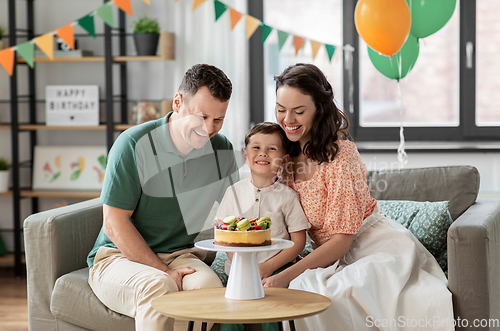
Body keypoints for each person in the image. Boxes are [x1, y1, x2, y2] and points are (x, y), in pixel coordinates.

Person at [262, 63, 454, 331]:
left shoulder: (341, 155)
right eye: (281, 109)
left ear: (319, 109)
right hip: (330, 257)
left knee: (327, 293)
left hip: (374, 248)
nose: (287, 120)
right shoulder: (283, 160)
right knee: (304, 288)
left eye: (299, 111)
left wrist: (284, 275)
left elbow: (342, 240)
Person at [87, 64, 239, 331]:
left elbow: (233, 214)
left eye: (218, 120)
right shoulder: (133, 144)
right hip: (118, 257)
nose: (210, 129)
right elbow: (114, 223)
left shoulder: (221, 148)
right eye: (202, 117)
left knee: (209, 290)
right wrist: (163, 270)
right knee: (159, 286)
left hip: (182, 255)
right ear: (178, 102)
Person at [215, 122, 310, 331]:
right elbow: (224, 235)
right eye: (256, 148)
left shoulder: (288, 197)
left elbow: (299, 242)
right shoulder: (233, 193)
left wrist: (269, 268)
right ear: (245, 156)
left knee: (272, 310)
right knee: (231, 314)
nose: (263, 154)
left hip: (278, 270)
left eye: (272, 148)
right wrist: (243, 268)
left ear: (284, 160)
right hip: (239, 271)